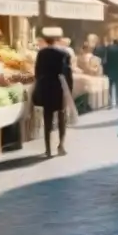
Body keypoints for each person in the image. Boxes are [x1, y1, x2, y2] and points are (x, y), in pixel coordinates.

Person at [33, 27, 74, 156]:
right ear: (57, 40)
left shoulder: (41, 53)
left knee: (47, 117)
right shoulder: (64, 54)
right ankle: (61, 146)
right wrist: (70, 90)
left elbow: (37, 72)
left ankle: (47, 149)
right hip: (59, 87)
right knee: (62, 117)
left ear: (45, 40)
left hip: (46, 87)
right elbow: (68, 74)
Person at [104, 34, 118, 108]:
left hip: (110, 69)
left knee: (110, 86)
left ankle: (109, 102)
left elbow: (106, 59)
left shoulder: (108, 48)